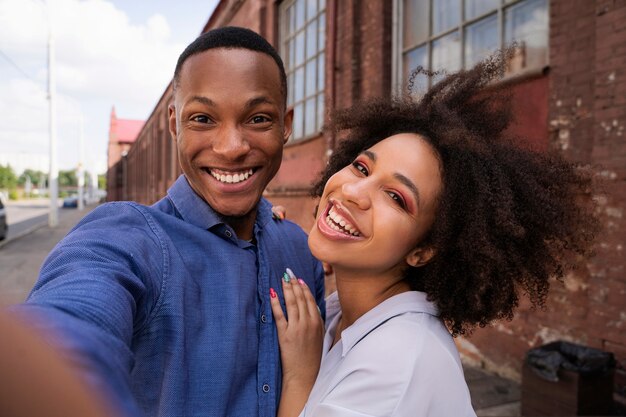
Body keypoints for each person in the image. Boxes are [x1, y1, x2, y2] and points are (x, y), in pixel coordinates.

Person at [8, 27, 325, 417]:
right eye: (203, 119)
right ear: (175, 124)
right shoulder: (130, 239)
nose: (231, 148)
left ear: (286, 124)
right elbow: (71, 316)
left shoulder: (300, 249)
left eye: (258, 118)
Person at [270, 48, 599, 416]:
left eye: (396, 197)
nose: (351, 191)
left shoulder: (398, 366)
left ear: (424, 250)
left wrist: (299, 375)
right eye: (362, 168)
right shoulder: (340, 311)